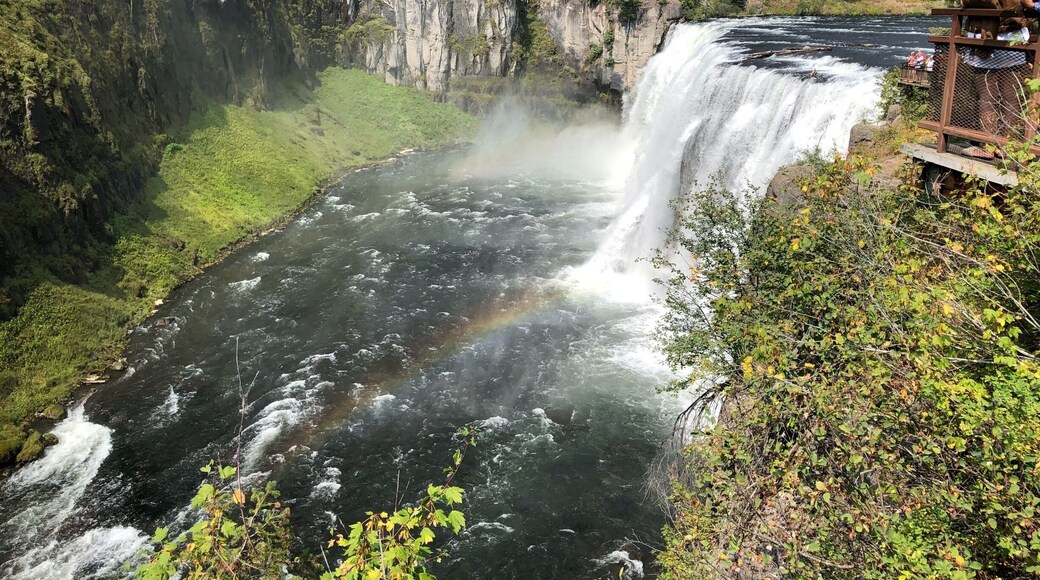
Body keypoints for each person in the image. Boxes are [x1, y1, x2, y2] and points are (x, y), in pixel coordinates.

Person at [960, 0, 1036, 158]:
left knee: (987, 95)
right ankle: (1005, 145)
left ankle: (987, 145)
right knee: (1011, 96)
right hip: (1011, 36)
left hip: (981, 33)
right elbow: (1028, 3)